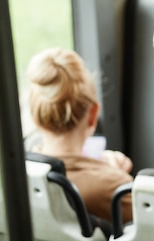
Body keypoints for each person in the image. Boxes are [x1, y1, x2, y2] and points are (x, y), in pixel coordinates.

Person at [26, 47, 133, 227]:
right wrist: (114, 176)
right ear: (92, 115)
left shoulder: (18, 175)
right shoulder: (114, 188)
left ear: (35, 116)